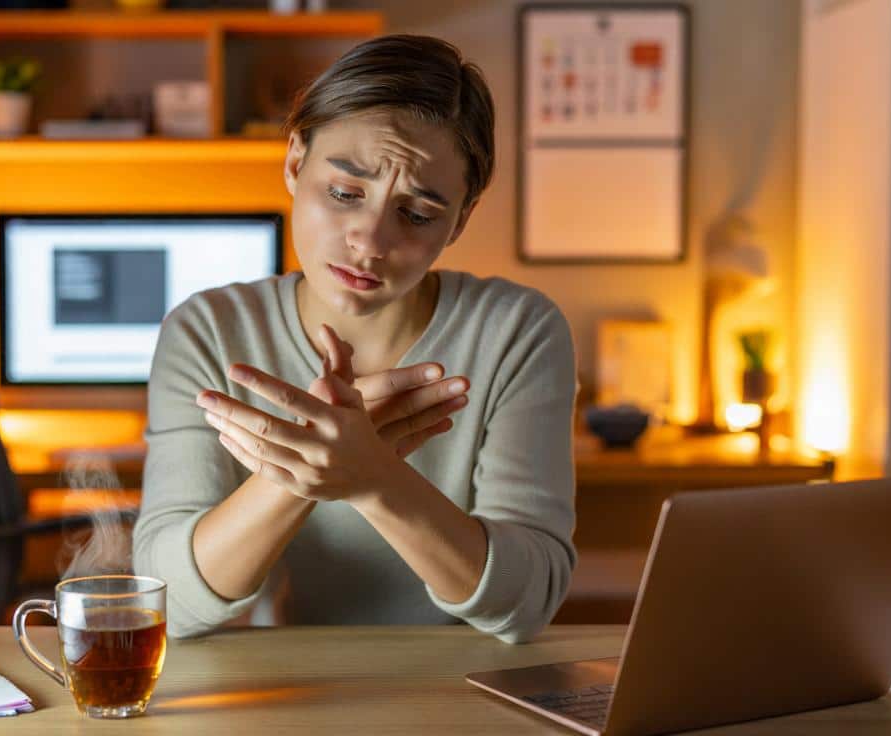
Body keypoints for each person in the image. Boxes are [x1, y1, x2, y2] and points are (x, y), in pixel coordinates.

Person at [134, 34, 576, 644]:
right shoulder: (207, 330)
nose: (369, 240)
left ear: (460, 220)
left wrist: (376, 481)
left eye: (417, 214)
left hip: (464, 691)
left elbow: (528, 603)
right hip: (271, 693)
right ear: (295, 163)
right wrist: (307, 469)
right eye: (344, 193)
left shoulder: (516, 331)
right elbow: (167, 603)